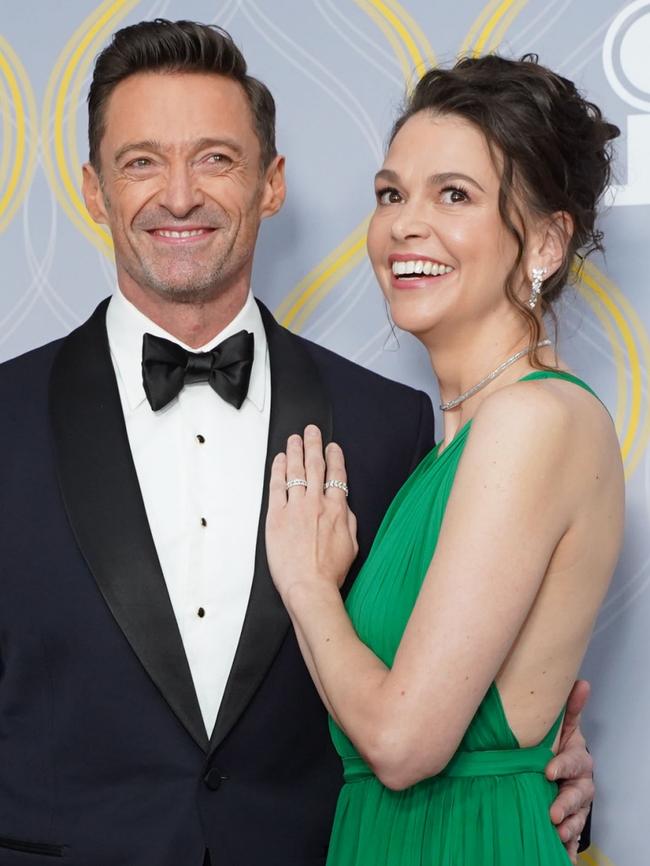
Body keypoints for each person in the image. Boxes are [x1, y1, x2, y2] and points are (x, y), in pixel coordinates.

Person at [0, 21, 591, 865]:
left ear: (271, 184)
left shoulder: (393, 426)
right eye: (141, 162)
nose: (178, 196)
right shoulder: (6, 415)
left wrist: (533, 779)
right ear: (93, 192)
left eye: (215, 158)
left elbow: (438, 693)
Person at [265, 54, 623, 865]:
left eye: (453, 195)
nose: (403, 224)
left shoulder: (531, 420)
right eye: (391, 194)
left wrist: (308, 584)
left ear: (545, 241)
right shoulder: (451, 443)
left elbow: (401, 741)